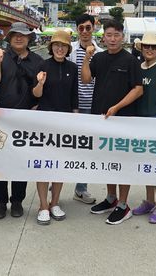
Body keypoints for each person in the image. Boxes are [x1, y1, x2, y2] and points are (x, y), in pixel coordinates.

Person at [82, 19, 143, 225]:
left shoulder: (131, 60)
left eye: (117, 35)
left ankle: (123, 205)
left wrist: (117, 107)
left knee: (123, 161)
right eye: (109, 35)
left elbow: (138, 89)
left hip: (124, 119)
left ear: (122, 37)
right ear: (103, 37)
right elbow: (86, 79)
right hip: (102, 118)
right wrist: (86, 58)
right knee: (107, 160)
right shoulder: (98, 58)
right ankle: (111, 198)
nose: (113, 39)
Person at [0, 22, 44, 219]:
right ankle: (0, 201)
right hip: (2, 115)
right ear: (9, 38)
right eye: (14, 35)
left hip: (25, 116)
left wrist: (37, 105)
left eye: (23, 35)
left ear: (29, 38)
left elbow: (40, 89)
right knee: (0, 161)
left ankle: (18, 200)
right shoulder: (1, 57)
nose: (18, 38)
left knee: (21, 160)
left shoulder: (38, 60)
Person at [32, 30, 79, 225]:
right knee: (43, 164)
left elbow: (74, 94)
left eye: (64, 45)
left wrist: (75, 115)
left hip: (65, 121)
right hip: (45, 120)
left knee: (59, 164)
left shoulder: (72, 67)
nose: (60, 48)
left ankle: (55, 202)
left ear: (68, 48)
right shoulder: (43, 65)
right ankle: (43, 205)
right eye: (56, 45)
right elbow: (35, 94)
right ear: (51, 47)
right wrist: (40, 83)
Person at [130, 32, 156, 224]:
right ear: (141, 47)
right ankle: (149, 200)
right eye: (146, 46)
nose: (149, 49)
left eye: (153, 47)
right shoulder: (137, 68)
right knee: (146, 165)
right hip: (140, 120)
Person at [67, 13, 102, 205]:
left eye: (88, 27)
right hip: (71, 106)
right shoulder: (68, 49)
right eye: (81, 28)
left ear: (94, 27)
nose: (85, 31)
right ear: (77, 30)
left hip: (92, 106)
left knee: (87, 149)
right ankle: (53, 185)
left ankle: (81, 189)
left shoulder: (101, 52)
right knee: (64, 147)